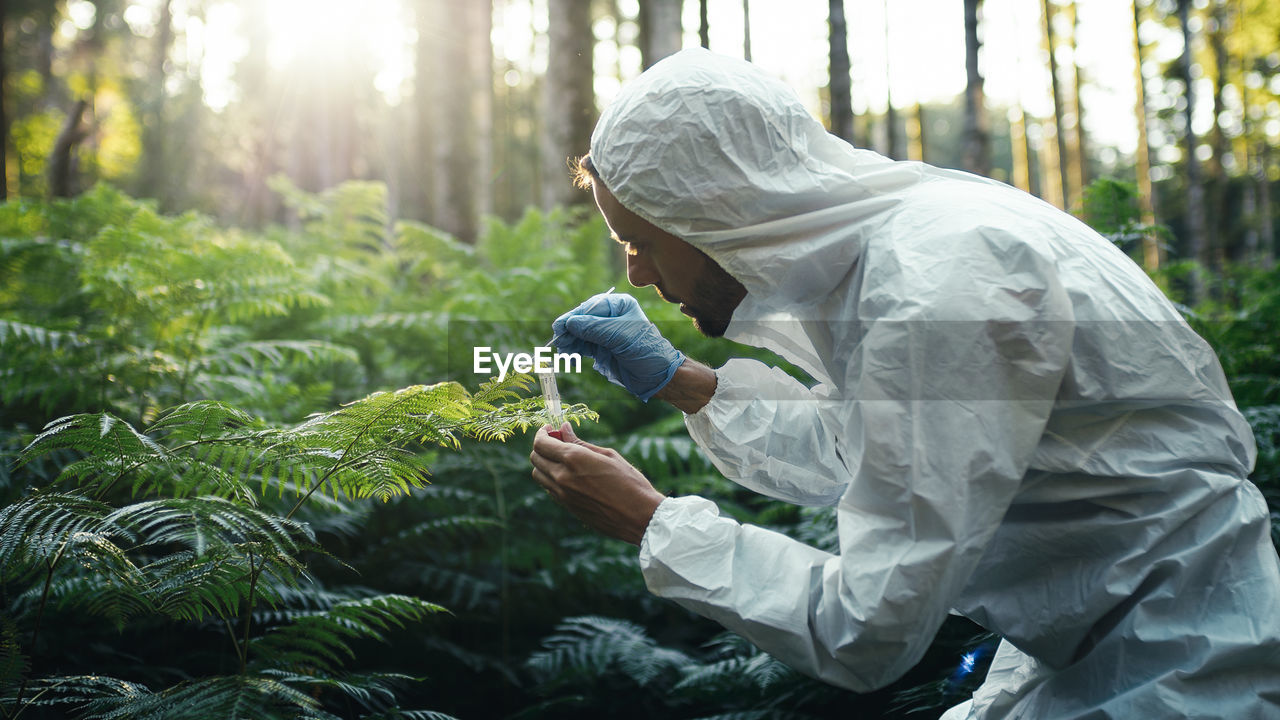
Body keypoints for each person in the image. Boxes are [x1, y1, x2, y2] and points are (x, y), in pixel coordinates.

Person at [527, 48, 1280, 718]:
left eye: (641, 240)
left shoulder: (940, 284)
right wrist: (689, 386)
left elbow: (868, 629)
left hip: (1183, 672)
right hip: (1108, 646)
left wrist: (654, 524)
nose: (637, 272)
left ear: (717, 209)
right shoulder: (905, 248)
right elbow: (882, 446)